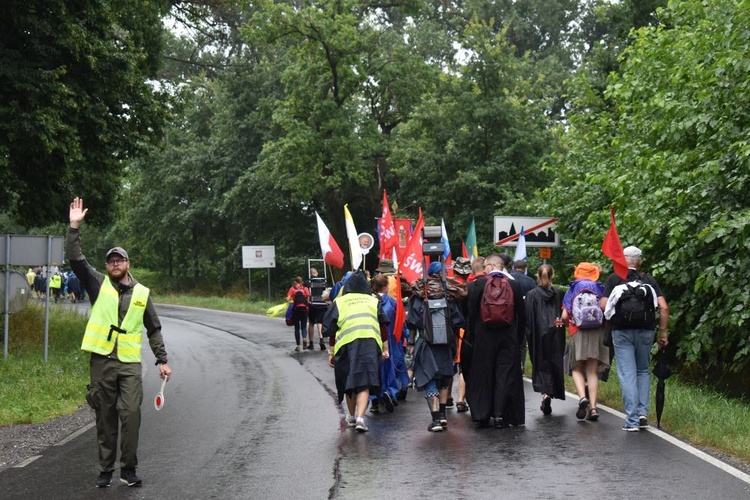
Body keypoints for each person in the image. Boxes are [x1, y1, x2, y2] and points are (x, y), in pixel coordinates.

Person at [66, 197, 171, 488]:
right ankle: (105, 470)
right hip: (102, 362)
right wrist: (74, 226)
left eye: (119, 260)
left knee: (131, 414)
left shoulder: (142, 293)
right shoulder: (97, 283)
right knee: (105, 417)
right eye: (111, 260)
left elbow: (154, 328)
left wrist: (162, 360)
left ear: (128, 264)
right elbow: (76, 259)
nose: (115, 264)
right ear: (106, 265)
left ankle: (128, 469)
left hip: (128, 365)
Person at [601, 246, 669, 431]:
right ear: (639, 261)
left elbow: (604, 305)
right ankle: (642, 414)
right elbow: (663, 307)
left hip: (621, 332)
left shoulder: (614, 279)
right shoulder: (649, 280)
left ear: (622, 260)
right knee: (643, 371)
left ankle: (631, 421)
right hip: (646, 332)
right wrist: (662, 333)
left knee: (627, 374)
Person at [322, 271, 389, 432]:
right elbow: (383, 326)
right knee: (364, 380)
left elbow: (329, 329)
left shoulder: (340, 302)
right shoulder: (373, 301)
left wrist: (331, 353)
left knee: (348, 381)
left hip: (346, 345)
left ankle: (351, 416)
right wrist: (385, 349)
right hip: (369, 343)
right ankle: (360, 418)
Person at [464, 254, 526, 428]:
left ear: (491, 266)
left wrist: (473, 337)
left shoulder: (477, 285)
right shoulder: (514, 285)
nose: (484, 269)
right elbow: (522, 315)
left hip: (483, 336)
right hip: (508, 336)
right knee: (504, 375)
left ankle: (482, 413)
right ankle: (501, 415)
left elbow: (471, 313)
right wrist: (518, 339)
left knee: (483, 374)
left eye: (485, 266)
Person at [406, 261, 466, 432]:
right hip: (446, 343)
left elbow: (412, 322)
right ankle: (442, 415)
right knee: (444, 378)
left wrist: (411, 343)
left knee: (430, 378)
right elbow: (458, 321)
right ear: (442, 274)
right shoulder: (449, 293)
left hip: (426, 342)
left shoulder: (419, 294)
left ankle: (435, 419)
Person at [561, 262, 610, 421]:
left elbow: (564, 317)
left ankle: (582, 397)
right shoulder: (601, 288)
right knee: (592, 371)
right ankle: (594, 408)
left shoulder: (572, 289)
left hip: (578, 331)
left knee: (576, 368)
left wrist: (570, 326)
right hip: (597, 333)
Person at [525, 265, 566, 415]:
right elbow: (562, 316)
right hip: (556, 331)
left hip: (538, 333)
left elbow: (528, 318)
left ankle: (545, 393)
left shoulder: (531, 295)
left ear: (537, 275)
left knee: (541, 363)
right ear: (553, 275)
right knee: (555, 362)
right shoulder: (559, 294)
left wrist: (528, 334)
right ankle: (552, 391)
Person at [368, 274, 409, 414]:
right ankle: (390, 393)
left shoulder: (368, 301)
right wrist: (405, 336)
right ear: (386, 287)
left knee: (374, 369)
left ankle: (374, 400)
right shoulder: (392, 302)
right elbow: (401, 322)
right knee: (391, 366)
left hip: (372, 340)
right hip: (391, 339)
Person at [511, 259, 539, 370]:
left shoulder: (508, 278)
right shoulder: (531, 281)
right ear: (525, 269)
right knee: (522, 342)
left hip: (510, 314)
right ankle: (521, 364)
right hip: (526, 314)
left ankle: (512, 362)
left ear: (513, 268)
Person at [286, 277, 310, 351]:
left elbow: (288, 299)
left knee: (297, 327)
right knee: (303, 326)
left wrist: (288, 299)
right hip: (304, 309)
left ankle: (298, 345)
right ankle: (304, 338)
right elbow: (308, 299)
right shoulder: (305, 288)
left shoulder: (292, 289)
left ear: (295, 282)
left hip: (296, 310)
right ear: (302, 282)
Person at [306, 267, 327, 351]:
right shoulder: (323, 281)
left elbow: (307, 293)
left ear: (311, 274)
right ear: (317, 273)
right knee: (320, 322)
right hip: (322, 304)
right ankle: (321, 338)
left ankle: (311, 343)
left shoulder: (308, 282)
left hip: (312, 304)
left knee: (311, 323)